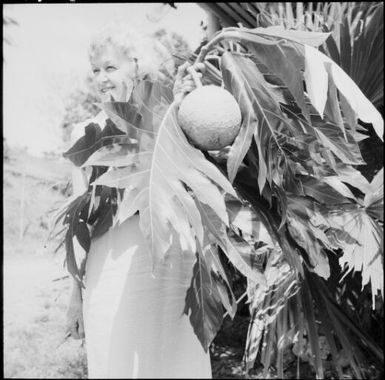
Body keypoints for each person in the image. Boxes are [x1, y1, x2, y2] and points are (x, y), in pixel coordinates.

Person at [65, 24, 210, 378]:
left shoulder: (168, 117)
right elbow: (77, 227)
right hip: (110, 269)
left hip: (170, 264)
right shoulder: (83, 134)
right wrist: (75, 294)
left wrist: (189, 101)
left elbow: (203, 167)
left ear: (135, 65)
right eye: (95, 70)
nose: (101, 78)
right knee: (117, 361)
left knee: (174, 361)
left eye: (110, 67)